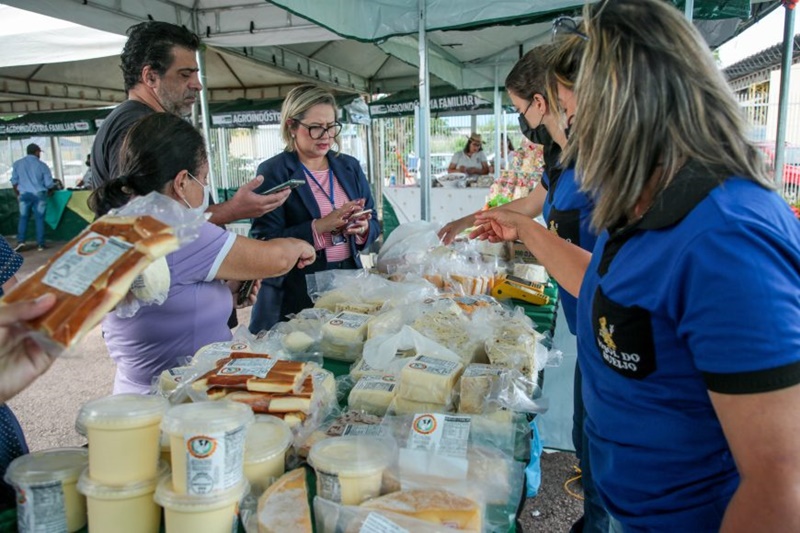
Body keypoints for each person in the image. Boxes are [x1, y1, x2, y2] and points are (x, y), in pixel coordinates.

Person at [476, 0, 800, 530]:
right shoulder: (643, 202)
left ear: (627, 107)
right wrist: (530, 231)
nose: (569, 138)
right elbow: (609, 291)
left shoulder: (728, 238)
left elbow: (781, 486)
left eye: (573, 114)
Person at [90, 113, 316, 394]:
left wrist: (226, 293)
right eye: (204, 179)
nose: (205, 188)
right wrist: (301, 245)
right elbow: (277, 259)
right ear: (182, 181)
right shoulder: (180, 229)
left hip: (135, 395)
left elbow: (166, 297)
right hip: (183, 400)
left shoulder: (120, 224)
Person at [90, 20, 288, 225]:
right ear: (150, 77)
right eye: (185, 74)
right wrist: (231, 210)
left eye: (196, 74)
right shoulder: (135, 125)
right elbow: (140, 222)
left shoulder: (150, 123)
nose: (198, 85)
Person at [248, 84, 379, 333]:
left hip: (347, 284)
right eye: (316, 127)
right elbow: (264, 240)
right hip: (295, 289)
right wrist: (318, 227)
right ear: (291, 126)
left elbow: (375, 223)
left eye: (331, 126)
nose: (326, 135)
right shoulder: (274, 171)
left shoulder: (349, 167)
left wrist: (363, 228)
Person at [11, 143, 55, 252]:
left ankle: (21, 241)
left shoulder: (17, 164)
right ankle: (40, 244)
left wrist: (18, 194)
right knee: (39, 218)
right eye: (39, 152)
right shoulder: (42, 166)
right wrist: (51, 189)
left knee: (23, 218)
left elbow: (14, 181)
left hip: (24, 194)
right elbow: (49, 184)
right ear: (36, 152)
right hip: (39, 194)